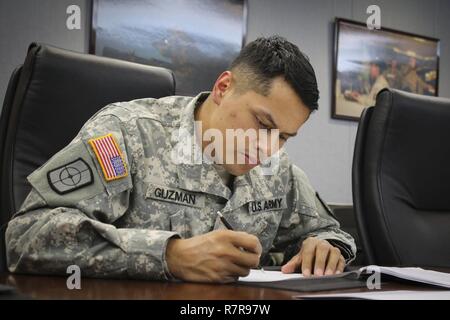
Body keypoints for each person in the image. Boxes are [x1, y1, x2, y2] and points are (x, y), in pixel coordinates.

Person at [5, 36, 356, 283]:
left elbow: (328, 231)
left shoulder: (277, 170)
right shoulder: (126, 134)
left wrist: (325, 246)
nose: (269, 148)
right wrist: (167, 255)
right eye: (263, 124)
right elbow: (26, 236)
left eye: (283, 136)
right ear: (223, 88)